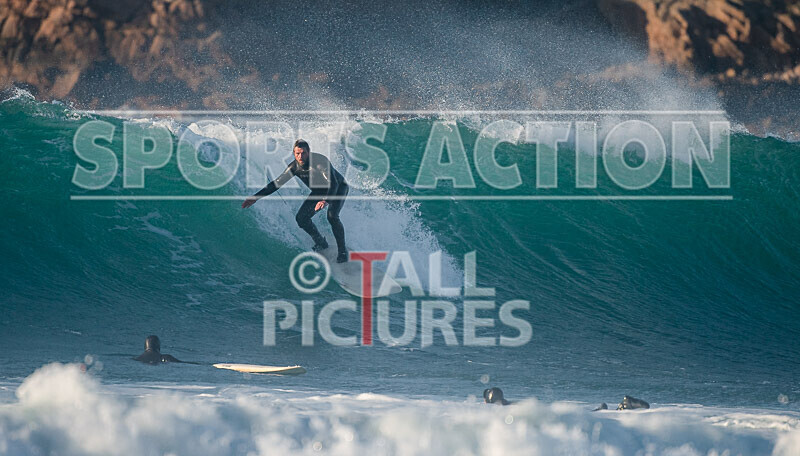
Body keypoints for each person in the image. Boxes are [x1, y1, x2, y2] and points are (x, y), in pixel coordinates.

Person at [242, 139, 350, 263]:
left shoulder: (320, 162)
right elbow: (276, 184)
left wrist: (325, 200)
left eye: (303, 153)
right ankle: (321, 242)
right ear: (294, 153)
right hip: (319, 192)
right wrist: (255, 197)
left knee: (332, 216)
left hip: (338, 188)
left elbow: (334, 183)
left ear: (308, 152)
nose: (300, 156)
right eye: (297, 153)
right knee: (301, 218)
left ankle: (342, 251)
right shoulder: (294, 167)